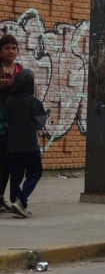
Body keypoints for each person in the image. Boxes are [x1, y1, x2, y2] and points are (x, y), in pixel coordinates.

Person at [5, 69, 46, 218]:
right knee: (35, 172)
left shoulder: (10, 100)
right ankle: (21, 200)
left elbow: (6, 123)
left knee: (16, 175)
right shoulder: (33, 101)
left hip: (13, 146)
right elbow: (41, 123)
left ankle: (16, 202)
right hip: (30, 145)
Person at [0, 34, 22, 213]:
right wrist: (11, 82)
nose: (11, 51)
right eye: (7, 47)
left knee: (8, 160)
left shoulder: (19, 68)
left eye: (13, 48)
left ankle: (1, 197)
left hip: (13, 121)